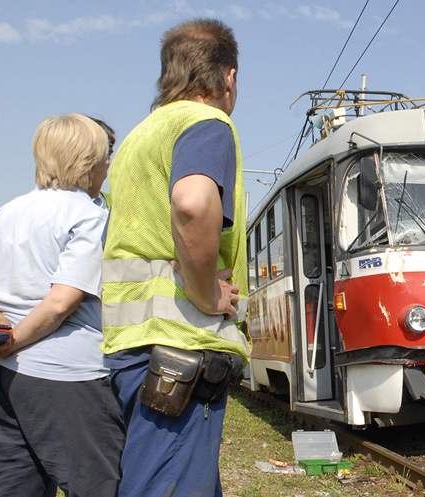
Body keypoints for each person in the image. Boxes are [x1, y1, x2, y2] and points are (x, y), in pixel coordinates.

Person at [101, 18, 249, 497]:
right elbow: (192, 202)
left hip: (132, 346)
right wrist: (205, 294)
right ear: (228, 78)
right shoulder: (206, 123)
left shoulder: (139, 138)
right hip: (180, 347)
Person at [0, 113, 124, 497]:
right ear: (88, 162)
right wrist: (13, 338)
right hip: (66, 377)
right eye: (103, 158)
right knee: (99, 484)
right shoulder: (89, 216)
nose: (107, 167)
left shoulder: (4, 213)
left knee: (9, 485)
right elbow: (61, 301)